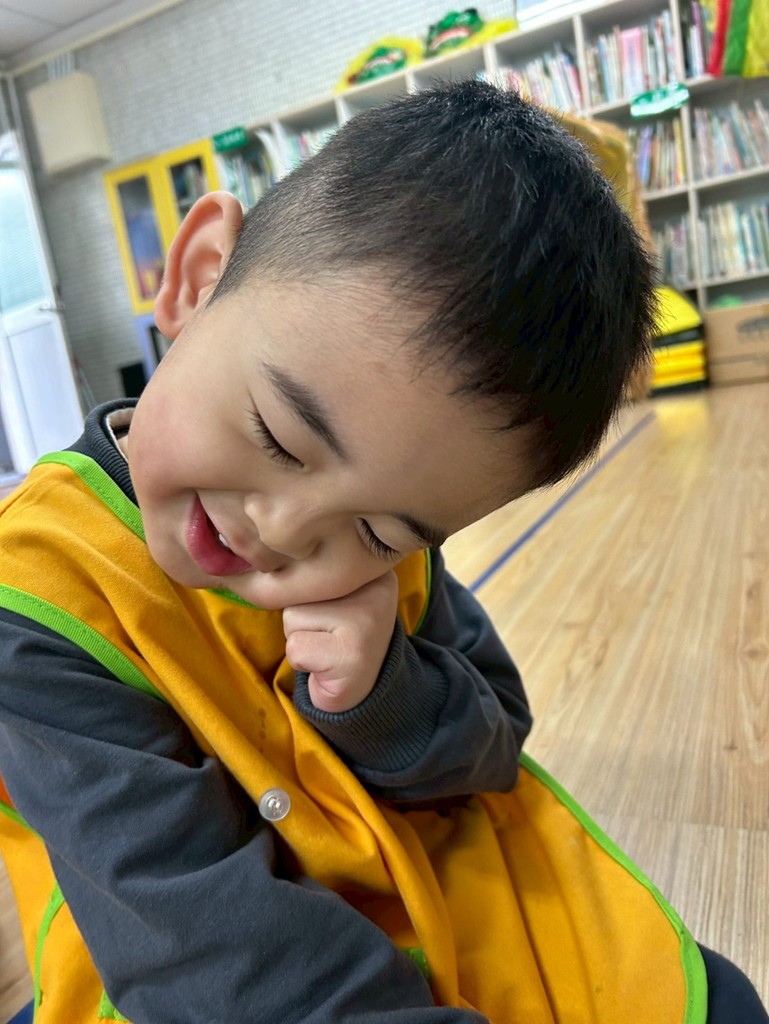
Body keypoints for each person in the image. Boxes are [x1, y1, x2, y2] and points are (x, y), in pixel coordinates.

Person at [0, 81, 765, 1024]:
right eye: (279, 435)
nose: (286, 529)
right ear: (198, 281)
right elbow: (198, 945)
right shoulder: (37, 597)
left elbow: (495, 740)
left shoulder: (389, 534)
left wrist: (380, 694)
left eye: (379, 533)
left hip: (438, 901)